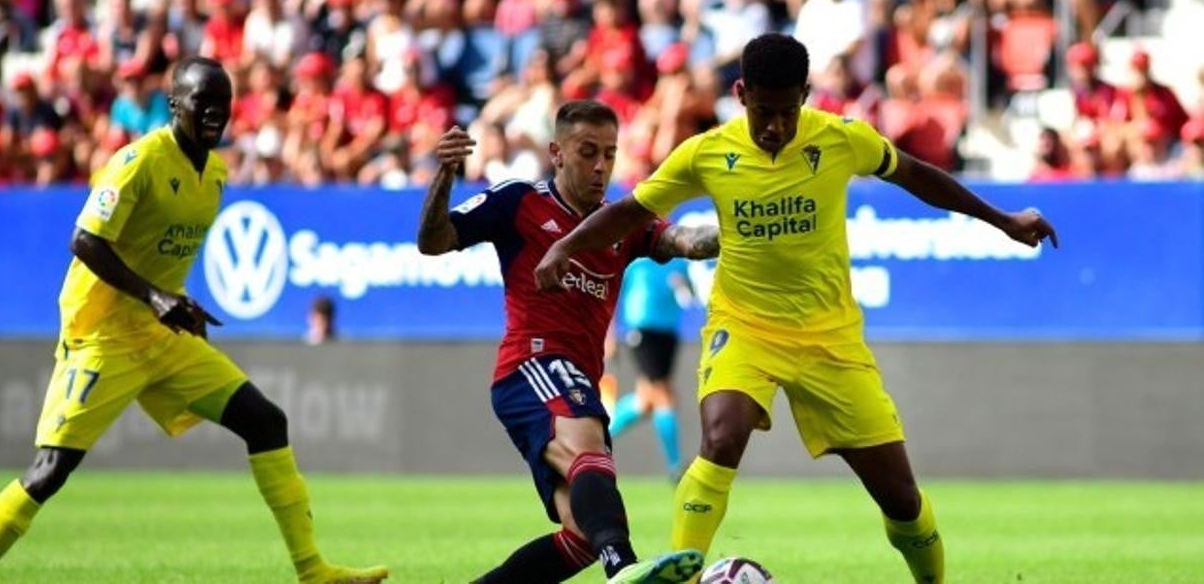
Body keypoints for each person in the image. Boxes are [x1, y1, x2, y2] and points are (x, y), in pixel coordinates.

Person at [536, 34, 1059, 584]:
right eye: (764, 112)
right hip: (744, 325)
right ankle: (682, 579)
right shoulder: (706, 153)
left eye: (788, 112)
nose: (775, 127)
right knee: (720, 436)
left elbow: (917, 176)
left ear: (806, 96)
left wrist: (1002, 219)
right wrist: (564, 247)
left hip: (830, 338)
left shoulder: (841, 139)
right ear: (741, 94)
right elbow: (630, 212)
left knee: (900, 498)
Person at [0, 58, 388, 584]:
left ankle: (312, 570)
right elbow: (85, 240)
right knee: (50, 471)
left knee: (266, 421)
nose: (215, 114)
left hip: (163, 334)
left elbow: (163, 254)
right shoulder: (137, 162)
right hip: (104, 337)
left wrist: (177, 303)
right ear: (175, 105)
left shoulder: (217, 173)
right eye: (203, 103)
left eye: (224, 105)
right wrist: (156, 296)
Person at [417, 100, 716, 584]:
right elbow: (433, 241)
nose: (600, 166)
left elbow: (683, 239)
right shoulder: (519, 201)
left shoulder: (619, 223)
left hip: (577, 378)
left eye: (610, 154)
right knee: (586, 443)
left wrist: (740, 230)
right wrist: (445, 175)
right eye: (587, 152)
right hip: (530, 364)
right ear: (557, 152)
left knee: (580, 537)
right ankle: (623, 567)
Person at [607, 256, 692, 481]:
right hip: (643, 331)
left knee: (645, 402)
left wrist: (682, 286)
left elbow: (689, 294)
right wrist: (610, 336)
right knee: (664, 396)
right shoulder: (636, 261)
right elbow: (611, 297)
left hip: (668, 334)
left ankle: (597, 439)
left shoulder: (678, 261)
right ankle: (676, 467)